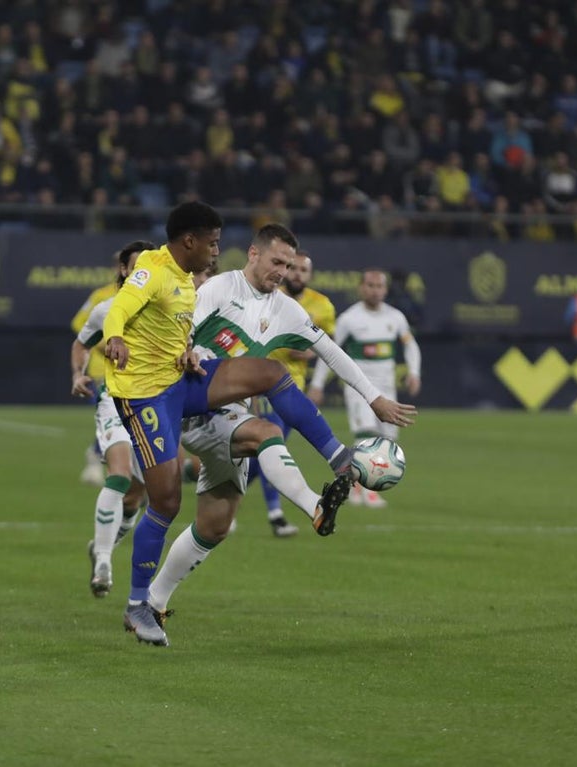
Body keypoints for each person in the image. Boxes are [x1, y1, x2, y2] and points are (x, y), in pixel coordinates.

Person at [105, 202, 416, 645]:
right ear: (253, 254)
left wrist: (375, 397)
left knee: (214, 524)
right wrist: (185, 346)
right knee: (188, 485)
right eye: (276, 262)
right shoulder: (216, 288)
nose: (283, 272)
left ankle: (153, 602)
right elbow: (171, 319)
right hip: (184, 398)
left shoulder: (286, 310)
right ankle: (330, 477)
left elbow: (331, 352)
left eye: (289, 266)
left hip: (221, 407)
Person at [70, 240, 155, 597]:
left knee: (138, 495)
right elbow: (81, 343)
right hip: (115, 401)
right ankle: (103, 562)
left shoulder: (165, 310)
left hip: (153, 407)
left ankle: (101, 546)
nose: (143, 275)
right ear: (123, 270)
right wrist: (78, 374)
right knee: (119, 476)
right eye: (137, 268)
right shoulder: (106, 309)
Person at [309, 270, 422, 508]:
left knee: (388, 438)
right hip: (359, 387)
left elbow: (410, 346)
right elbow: (328, 351)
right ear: (361, 288)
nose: (375, 290)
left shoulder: (396, 317)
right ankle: (365, 491)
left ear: (385, 289)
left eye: (379, 286)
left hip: (387, 387)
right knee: (366, 434)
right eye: (370, 285)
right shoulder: (350, 319)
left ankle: (361, 484)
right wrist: (317, 384)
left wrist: (414, 372)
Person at [246, 249, 337, 538]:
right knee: (273, 447)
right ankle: (276, 515)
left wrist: (315, 375)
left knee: (262, 455)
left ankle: (220, 491)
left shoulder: (322, 306)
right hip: (264, 384)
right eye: (292, 268)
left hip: (294, 389)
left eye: (302, 270)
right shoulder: (269, 298)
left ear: (310, 275)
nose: (297, 274)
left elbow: (326, 347)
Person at [71, 258, 123, 486]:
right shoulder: (101, 296)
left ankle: (98, 457)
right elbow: (79, 323)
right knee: (112, 415)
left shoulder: (143, 296)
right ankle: (97, 457)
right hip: (101, 369)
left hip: (131, 371)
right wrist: (101, 344)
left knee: (119, 418)